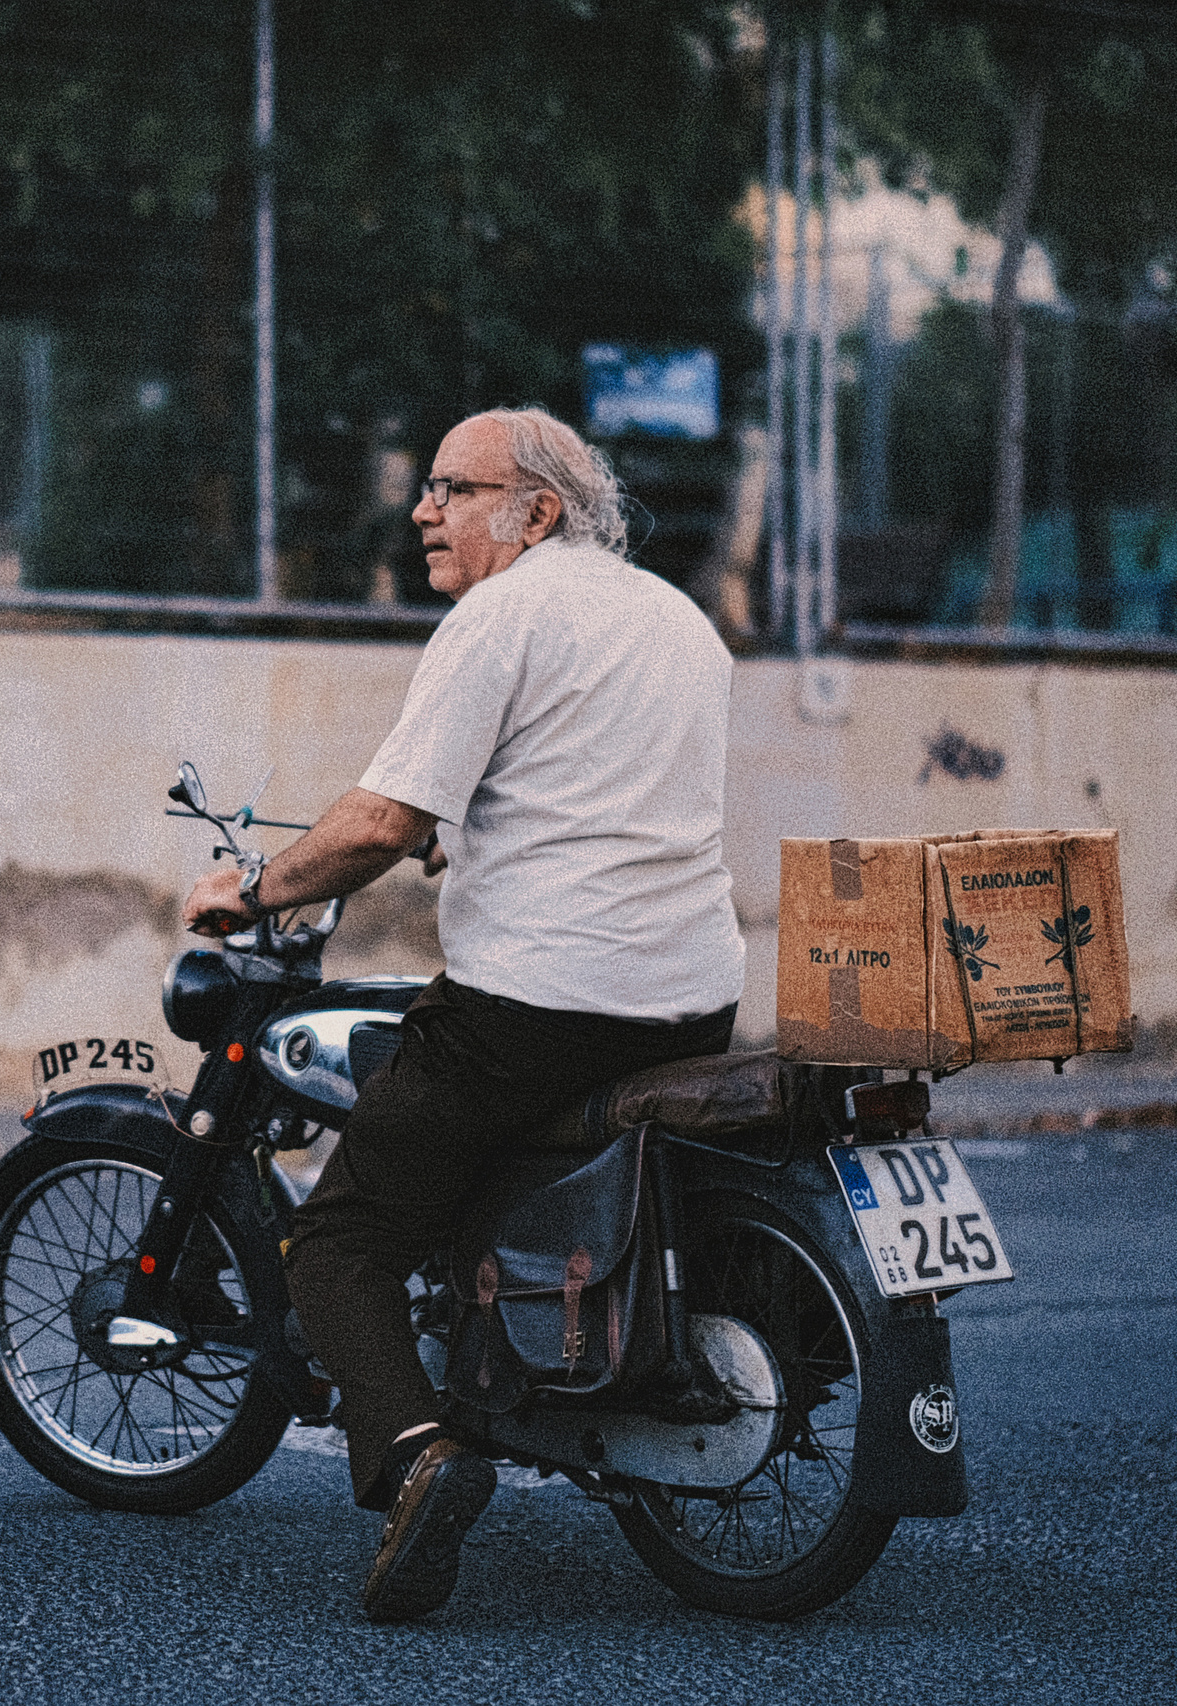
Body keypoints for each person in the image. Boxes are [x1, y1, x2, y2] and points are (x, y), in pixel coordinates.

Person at [180, 405, 744, 1623]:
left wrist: (253, 891)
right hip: (692, 998)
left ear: (536, 511)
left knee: (338, 1238)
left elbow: (381, 819)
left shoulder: (502, 612)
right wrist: (478, 830)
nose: (424, 509)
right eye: (425, 486)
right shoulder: (676, 618)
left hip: (541, 1002)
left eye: (453, 487)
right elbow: (594, 788)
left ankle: (417, 1449)